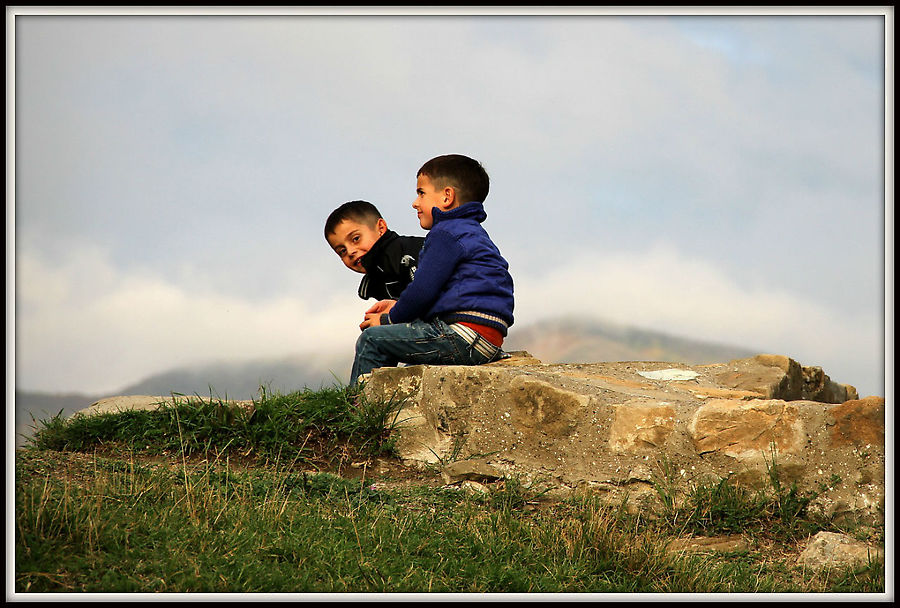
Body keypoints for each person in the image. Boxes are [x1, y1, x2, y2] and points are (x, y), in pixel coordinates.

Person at [350, 154, 515, 385]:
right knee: (408, 359)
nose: (415, 202)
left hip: (463, 335)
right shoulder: (470, 232)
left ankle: (358, 412)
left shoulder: (445, 234)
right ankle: (383, 403)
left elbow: (423, 290)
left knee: (372, 339)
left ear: (447, 196)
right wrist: (398, 306)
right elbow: (448, 295)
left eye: (421, 193)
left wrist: (388, 320)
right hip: (485, 337)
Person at [324, 200, 426, 301]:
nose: (350, 252)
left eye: (356, 239)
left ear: (381, 228)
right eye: (342, 251)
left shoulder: (414, 251)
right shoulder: (375, 281)